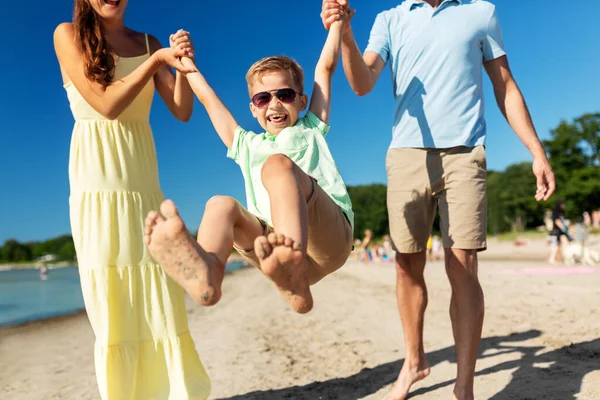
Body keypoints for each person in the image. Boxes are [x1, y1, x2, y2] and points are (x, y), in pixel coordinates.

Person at [321, 1, 555, 399]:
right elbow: (362, 82)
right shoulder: (390, 19)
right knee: (406, 265)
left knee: (462, 263)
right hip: (406, 155)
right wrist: (345, 35)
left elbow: (505, 84)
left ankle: (464, 386)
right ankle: (414, 362)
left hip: (465, 153)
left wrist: (536, 150)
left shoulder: (481, 12)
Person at [143, 8, 354, 314]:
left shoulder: (310, 126)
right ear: (253, 108)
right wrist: (186, 62)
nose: (275, 104)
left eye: (285, 94)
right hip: (271, 252)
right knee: (220, 204)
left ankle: (290, 259)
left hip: (327, 239)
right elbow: (207, 99)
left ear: (302, 101)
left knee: (278, 165)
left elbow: (326, 67)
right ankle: (209, 272)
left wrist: (337, 24)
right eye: (263, 98)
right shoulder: (246, 144)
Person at [53, 1, 210, 398]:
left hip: (143, 180)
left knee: (160, 288)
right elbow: (106, 105)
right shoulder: (67, 35)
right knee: (113, 302)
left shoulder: (146, 41)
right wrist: (157, 59)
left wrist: (183, 65)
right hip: (97, 182)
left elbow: (181, 110)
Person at [548, 200, 571, 265]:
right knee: (555, 246)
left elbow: (563, 221)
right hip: (556, 231)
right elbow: (557, 221)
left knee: (566, 243)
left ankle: (566, 258)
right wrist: (564, 228)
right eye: (562, 204)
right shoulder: (555, 211)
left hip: (561, 232)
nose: (563, 206)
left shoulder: (562, 212)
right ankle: (551, 259)